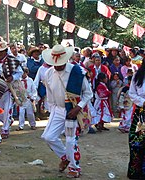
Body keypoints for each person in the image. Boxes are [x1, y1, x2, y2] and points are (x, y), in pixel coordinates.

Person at [41, 44, 93, 178]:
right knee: (48, 137)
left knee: (70, 140)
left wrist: (78, 107)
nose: (57, 66)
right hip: (57, 109)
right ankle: (65, 157)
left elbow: (88, 94)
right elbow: (50, 96)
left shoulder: (78, 72)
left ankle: (74, 167)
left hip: (73, 110)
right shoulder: (48, 73)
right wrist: (51, 110)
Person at [0, 41, 23, 139]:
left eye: (2, 51)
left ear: (6, 51)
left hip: (9, 89)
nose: (0, 54)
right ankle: (8, 120)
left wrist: (12, 77)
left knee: (8, 109)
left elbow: (20, 72)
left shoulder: (12, 60)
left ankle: (5, 129)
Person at [127, 60, 145, 179]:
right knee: (137, 142)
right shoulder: (137, 76)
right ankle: (136, 172)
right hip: (141, 114)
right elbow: (132, 93)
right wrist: (143, 102)